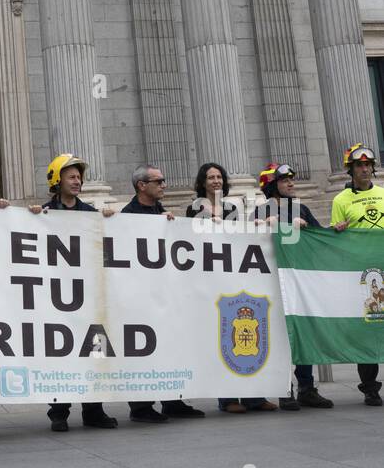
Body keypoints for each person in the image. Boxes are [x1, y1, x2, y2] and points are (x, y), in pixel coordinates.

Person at [108, 165, 205, 424]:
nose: (164, 185)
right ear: (142, 185)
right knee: (141, 350)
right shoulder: (128, 215)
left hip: (164, 295)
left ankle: (172, 400)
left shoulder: (162, 213)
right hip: (139, 297)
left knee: (169, 346)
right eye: (159, 181)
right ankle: (141, 407)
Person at [35, 155, 117, 432]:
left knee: (95, 353)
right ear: (57, 180)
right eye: (71, 177)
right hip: (59, 298)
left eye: (79, 177)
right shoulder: (44, 213)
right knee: (62, 354)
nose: (78, 181)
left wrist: (109, 221)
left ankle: (94, 410)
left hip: (89, 298)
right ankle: (59, 411)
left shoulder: (90, 213)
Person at [186, 162, 277, 413]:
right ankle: (227, 399)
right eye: (210, 177)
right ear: (202, 182)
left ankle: (255, 397)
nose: (216, 181)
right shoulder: (194, 208)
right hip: (210, 278)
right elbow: (191, 240)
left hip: (234, 276)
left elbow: (238, 238)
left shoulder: (231, 208)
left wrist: (254, 228)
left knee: (243, 336)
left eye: (219, 177)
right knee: (220, 338)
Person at [257, 161, 332, 411]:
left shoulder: (303, 209)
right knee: (280, 338)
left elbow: (320, 240)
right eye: (284, 180)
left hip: (300, 283)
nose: (291, 183)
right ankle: (284, 389)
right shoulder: (260, 212)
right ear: (272, 186)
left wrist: (319, 228)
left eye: (291, 179)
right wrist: (271, 224)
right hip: (273, 283)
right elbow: (249, 241)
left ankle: (307, 388)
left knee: (303, 335)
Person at [330, 143, 384, 406]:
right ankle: (370, 387)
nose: (364, 169)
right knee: (368, 329)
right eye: (359, 165)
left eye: (367, 165)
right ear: (350, 170)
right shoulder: (340, 200)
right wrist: (337, 230)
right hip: (362, 275)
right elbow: (332, 240)